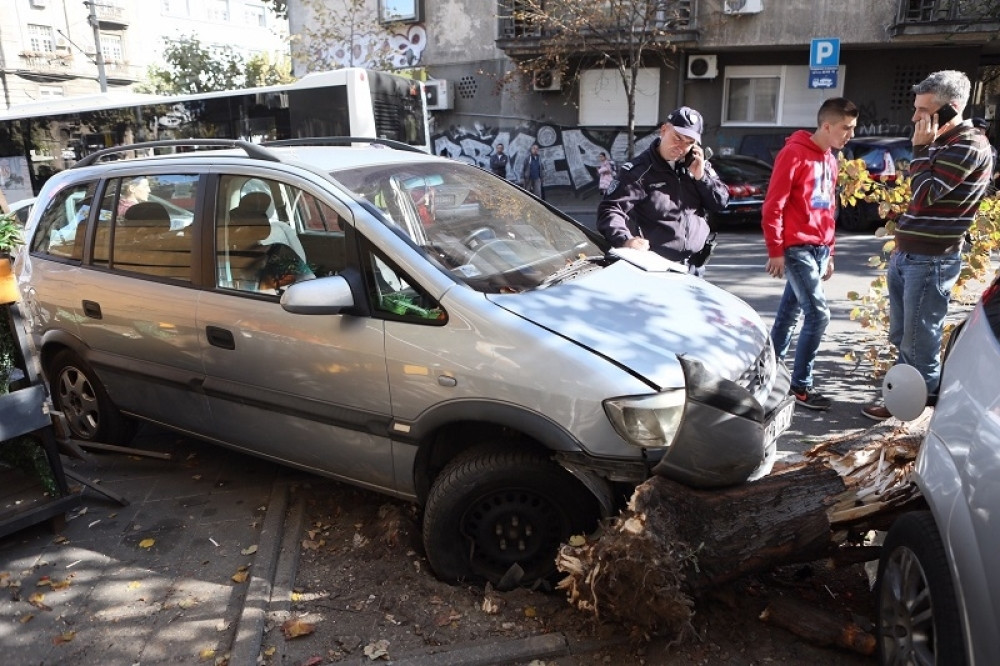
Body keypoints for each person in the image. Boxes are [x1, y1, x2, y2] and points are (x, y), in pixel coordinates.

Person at [863, 70, 995, 420]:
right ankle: (904, 402)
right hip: (909, 253)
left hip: (931, 259)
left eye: (922, 110)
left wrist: (921, 149)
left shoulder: (968, 144)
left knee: (919, 342)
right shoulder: (943, 143)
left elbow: (923, 196)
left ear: (950, 109)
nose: (914, 117)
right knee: (902, 335)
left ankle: (916, 415)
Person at [764, 97, 859, 411]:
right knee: (818, 315)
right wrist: (776, 250)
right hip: (796, 248)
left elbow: (829, 209)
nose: (850, 135)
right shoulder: (793, 153)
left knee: (789, 315)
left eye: (853, 128)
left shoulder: (831, 159)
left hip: (819, 250)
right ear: (827, 125)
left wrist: (830, 252)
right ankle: (800, 387)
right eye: (846, 128)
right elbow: (773, 205)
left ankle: (766, 375)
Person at [596, 106, 728, 276]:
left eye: (689, 143)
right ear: (664, 130)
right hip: (656, 269)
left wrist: (701, 177)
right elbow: (610, 209)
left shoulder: (697, 164)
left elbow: (720, 203)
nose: (681, 147)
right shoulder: (639, 170)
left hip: (695, 267)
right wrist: (625, 240)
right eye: (677, 138)